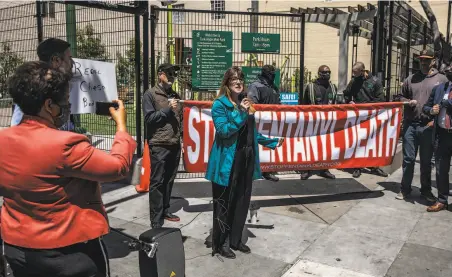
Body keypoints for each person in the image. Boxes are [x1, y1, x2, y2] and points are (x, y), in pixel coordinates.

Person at [0, 61, 136, 276]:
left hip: (18, 248)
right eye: (65, 101)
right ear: (48, 105)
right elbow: (118, 167)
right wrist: (121, 127)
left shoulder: (3, 139)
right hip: (68, 252)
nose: (69, 107)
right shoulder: (64, 145)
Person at [205, 66, 284, 259]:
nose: (238, 82)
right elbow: (224, 131)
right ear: (226, 83)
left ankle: (235, 239)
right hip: (227, 162)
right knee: (225, 204)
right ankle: (221, 243)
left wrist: (272, 141)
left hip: (246, 159)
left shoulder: (246, 103)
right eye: (233, 79)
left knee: (242, 202)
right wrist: (240, 112)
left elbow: (251, 133)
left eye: (240, 78)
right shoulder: (219, 105)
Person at [394, 49, 448, 201]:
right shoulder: (411, 79)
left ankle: (425, 190)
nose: (423, 62)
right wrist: (406, 102)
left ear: (433, 61)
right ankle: (405, 189)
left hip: (429, 126)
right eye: (421, 60)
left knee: (426, 161)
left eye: (426, 60)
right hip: (410, 125)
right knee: (408, 159)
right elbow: (399, 97)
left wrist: (435, 120)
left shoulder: (442, 80)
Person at [143, 63, 183, 228]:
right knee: (157, 182)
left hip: (174, 143)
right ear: (160, 75)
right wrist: (167, 109)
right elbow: (149, 119)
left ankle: (165, 209)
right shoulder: (150, 94)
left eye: (174, 73)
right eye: (169, 73)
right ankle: (156, 219)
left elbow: (181, 118)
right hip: (159, 144)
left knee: (169, 180)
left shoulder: (175, 94)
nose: (172, 76)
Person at [10, 38, 75, 130]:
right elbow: (19, 132)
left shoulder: (61, 86)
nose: (72, 63)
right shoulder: (33, 89)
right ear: (56, 60)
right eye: (69, 58)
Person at [343, 61, 389, 178]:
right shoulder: (354, 81)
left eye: (356, 73)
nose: (354, 75)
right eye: (353, 73)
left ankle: (374, 167)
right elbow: (346, 94)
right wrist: (350, 101)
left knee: (372, 142)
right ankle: (357, 167)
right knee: (358, 141)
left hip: (372, 116)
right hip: (358, 117)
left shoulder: (375, 82)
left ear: (363, 71)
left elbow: (380, 99)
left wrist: (367, 106)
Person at [422, 63, 452, 211]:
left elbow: (448, 103)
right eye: (449, 70)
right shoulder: (439, 89)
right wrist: (431, 111)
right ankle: (442, 200)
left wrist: (448, 102)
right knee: (441, 169)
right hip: (442, 135)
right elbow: (425, 107)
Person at [299, 65, 337, 180]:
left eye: (329, 72)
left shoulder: (333, 87)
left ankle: (324, 169)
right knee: (310, 146)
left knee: (326, 147)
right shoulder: (311, 87)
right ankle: (306, 169)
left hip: (327, 123)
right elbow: (303, 105)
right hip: (312, 122)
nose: (327, 74)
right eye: (325, 72)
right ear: (319, 74)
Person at [247, 64, 281, 182]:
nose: (273, 75)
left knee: (269, 145)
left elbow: (279, 103)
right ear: (265, 73)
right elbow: (251, 103)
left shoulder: (274, 87)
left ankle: (268, 170)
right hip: (259, 121)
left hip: (273, 121)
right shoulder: (255, 86)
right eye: (271, 73)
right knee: (259, 146)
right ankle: (258, 170)